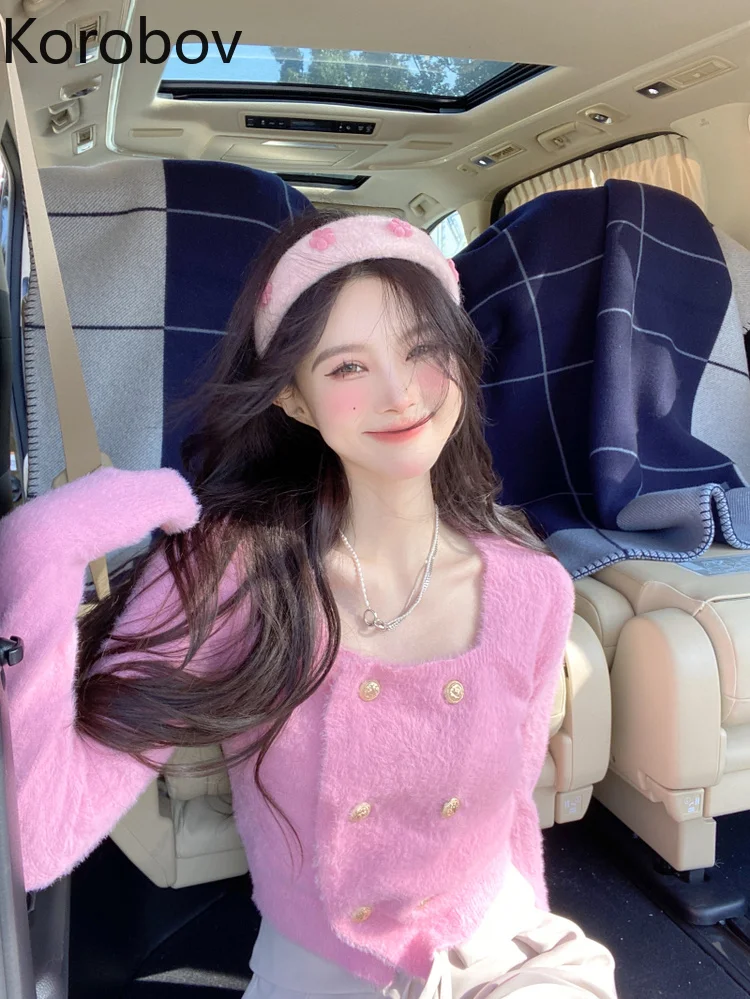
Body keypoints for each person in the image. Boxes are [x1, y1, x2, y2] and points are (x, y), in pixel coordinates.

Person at [0, 210, 618, 998]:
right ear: (294, 397)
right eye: (348, 366)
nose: (400, 393)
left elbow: (511, 822)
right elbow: (42, 837)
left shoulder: (535, 586)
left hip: (499, 945)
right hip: (321, 967)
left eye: (423, 348)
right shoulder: (231, 570)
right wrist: (38, 552)